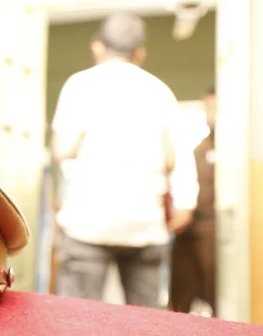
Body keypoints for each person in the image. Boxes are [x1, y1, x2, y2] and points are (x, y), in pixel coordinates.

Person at [51, 12, 198, 308]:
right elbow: (176, 157)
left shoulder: (79, 86)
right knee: (144, 320)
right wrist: (185, 203)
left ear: (98, 47)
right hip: (144, 225)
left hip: (88, 224)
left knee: (77, 318)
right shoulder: (160, 91)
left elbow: (62, 150)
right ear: (140, 53)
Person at [169, 87, 217, 315]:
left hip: (215, 230)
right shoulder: (198, 149)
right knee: (179, 299)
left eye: (216, 108)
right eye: (208, 108)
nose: (211, 115)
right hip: (187, 229)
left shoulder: (234, 151)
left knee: (218, 294)